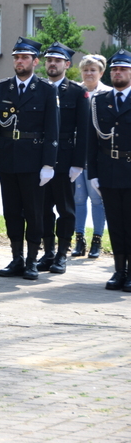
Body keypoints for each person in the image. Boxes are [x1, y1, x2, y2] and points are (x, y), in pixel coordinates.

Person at [0, 37, 59, 280]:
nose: (19, 61)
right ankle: (16, 258)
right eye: (17, 57)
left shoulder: (46, 90)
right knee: (11, 212)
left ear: (35, 62)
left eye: (25, 57)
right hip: (8, 158)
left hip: (33, 160)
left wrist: (48, 164)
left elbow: (52, 129)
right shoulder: (1, 88)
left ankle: (31, 260)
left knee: (34, 212)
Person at [37, 42, 89, 275]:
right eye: (49, 60)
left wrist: (78, 163)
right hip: (40, 158)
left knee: (65, 210)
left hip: (65, 160)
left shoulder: (77, 92)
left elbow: (84, 131)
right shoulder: (39, 88)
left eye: (57, 61)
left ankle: (61, 255)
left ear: (67, 64)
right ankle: (48, 252)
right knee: (42, 209)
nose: (52, 64)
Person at [87, 50, 131, 291]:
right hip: (109, 170)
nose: (118, 73)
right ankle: (119, 270)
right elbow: (91, 141)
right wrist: (93, 174)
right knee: (115, 223)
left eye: (123, 69)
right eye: (115, 69)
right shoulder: (99, 101)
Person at [73, 54, 111, 258]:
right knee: (78, 198)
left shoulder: (108, 93)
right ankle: (79, 239)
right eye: (85, 70)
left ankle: (97, 240)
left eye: (93, 70)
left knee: (97, 199)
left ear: (101, 73)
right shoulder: (76, 91)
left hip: (97, 154)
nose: (89, 73)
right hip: (77, 153)